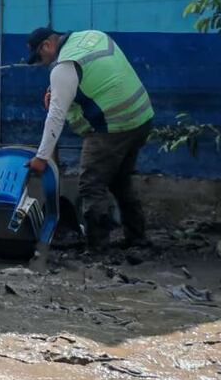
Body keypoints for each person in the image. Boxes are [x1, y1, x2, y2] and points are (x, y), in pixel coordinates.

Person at [25, 28, 154, 250]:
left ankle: (97, 247)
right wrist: (61, 91)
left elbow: (55, 116)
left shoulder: (64, 66)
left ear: (47, 45)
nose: (43, 63)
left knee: (91, 186)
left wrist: (41, 157)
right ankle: (137, 237)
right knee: (120, 180)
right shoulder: (92, 36)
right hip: (141, 118)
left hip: (113, 127)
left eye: (40, 58)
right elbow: (99, 77)